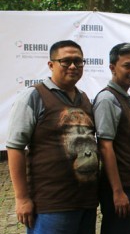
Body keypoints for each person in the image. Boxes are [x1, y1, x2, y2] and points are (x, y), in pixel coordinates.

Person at [6, 40, 99, 233]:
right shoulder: (34, 97)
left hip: (86, 202)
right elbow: (15, 147)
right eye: (66, 61)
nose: (73, 66)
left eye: (78, 61)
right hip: (52, 205)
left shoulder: (84, 99)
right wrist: (22, 198)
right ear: (51, 65)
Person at [93, 43, 130, 234]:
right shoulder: (108, 99)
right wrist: (117, 191)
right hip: (119, 187)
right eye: (127, 66)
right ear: (112, 67)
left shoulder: (124, 96)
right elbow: (105, 147)